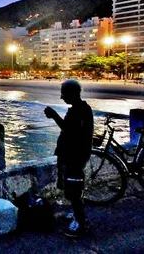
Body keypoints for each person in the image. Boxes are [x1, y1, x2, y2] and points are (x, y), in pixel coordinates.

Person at [43, 79, 93, 238]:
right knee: (72, 187)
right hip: (72, 155)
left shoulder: (79, 111)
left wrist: (54, 115)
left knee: (73, 189)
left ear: (73, 93)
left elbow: (69, 130)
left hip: (75, 156)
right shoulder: (80, 108)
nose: (62, 97)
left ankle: (81, 222)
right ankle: (76, 214)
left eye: (64, 93)